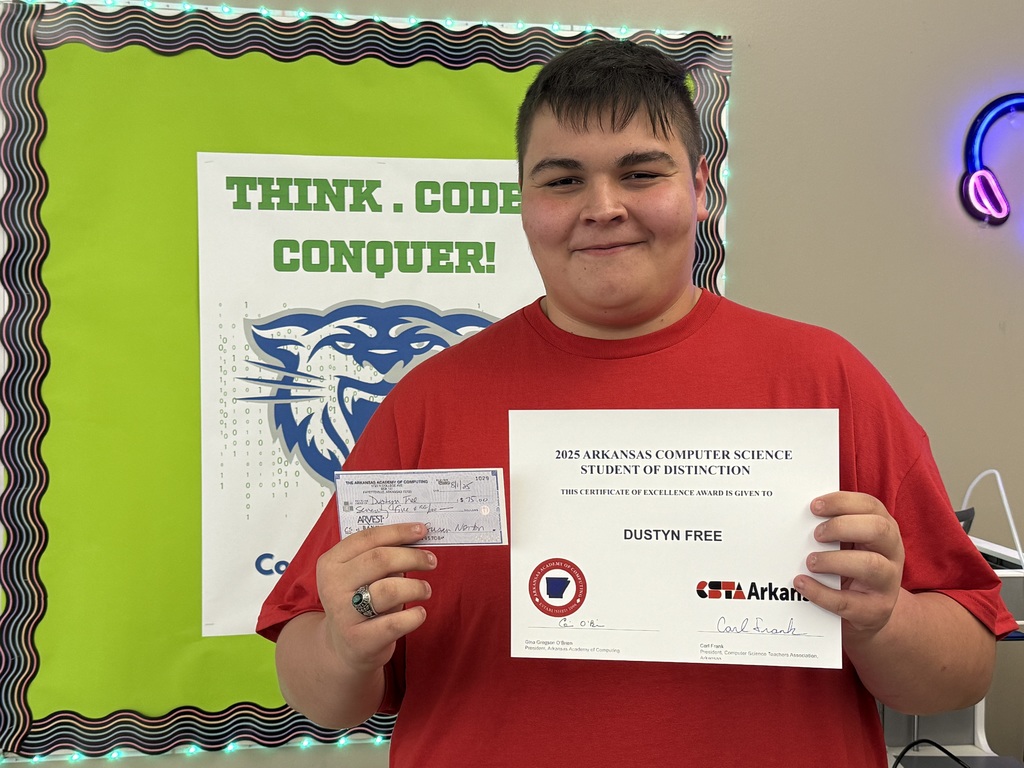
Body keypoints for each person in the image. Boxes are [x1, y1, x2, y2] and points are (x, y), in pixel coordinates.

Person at [258, 40, 1016, 767]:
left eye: (640, 172)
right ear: (523, 201)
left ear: (699, 187)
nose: (602, 206)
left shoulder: (824, 379)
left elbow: (962, 672)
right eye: (562, 180)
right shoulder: (430, 401)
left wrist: (885, 621)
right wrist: (343, 644)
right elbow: (322, 694)